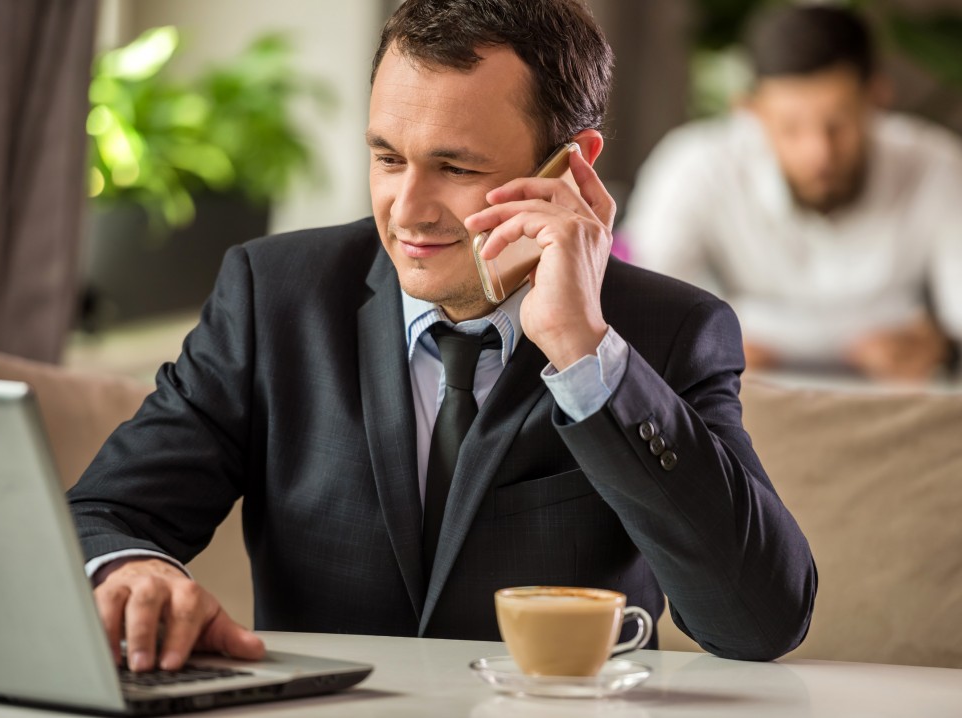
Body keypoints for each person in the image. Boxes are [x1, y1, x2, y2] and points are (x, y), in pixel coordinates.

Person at [68, 0, 816, 674]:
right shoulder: (274, 295)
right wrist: (132, 570)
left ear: (571, 166)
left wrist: (585, 352)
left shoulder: (670, 331)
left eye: (455, 167)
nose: (409, 211)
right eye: (388, 158)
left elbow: (760, 622)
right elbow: (102, 514)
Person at [624, 5, 962, 381]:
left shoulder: (937, 165)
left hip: (896, 402)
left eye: (838, 123)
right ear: (750, 111)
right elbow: (645, 309)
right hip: (741, 404)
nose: (819, 153)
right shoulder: (694, 167)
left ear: (877, 97)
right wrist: (705, 347)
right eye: (791, 127)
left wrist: (944, 347)